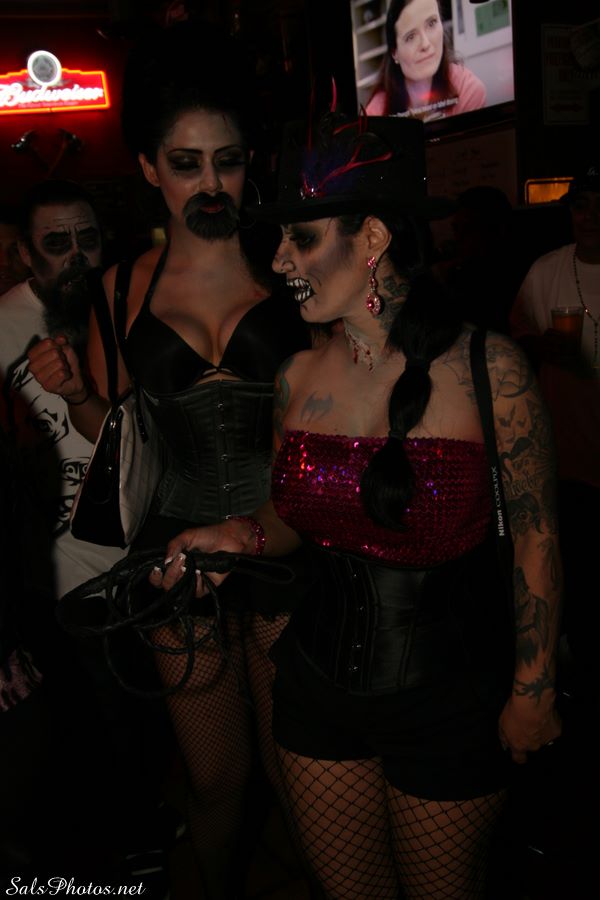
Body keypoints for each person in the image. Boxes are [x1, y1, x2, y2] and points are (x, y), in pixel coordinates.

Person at [155, 112, 562, 899]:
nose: (279, 260)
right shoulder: (296, 376)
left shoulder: (489, 368)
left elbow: (538, 539)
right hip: (315, 692)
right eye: (281, 239)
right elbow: (288, 519)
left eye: (301, 239)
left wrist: (534, 688)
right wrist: (236, 535)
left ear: (372, 236)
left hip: (450, 701)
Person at [28, 22, 310, 899]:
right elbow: (112, 429)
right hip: (174, 559)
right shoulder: (121, 288)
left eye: (228, 162)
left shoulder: (289, 267)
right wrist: (76, 389)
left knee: (297, 770)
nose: (211, 184)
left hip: (284, 542)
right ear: (151, 169)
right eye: (187, 164)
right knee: (218, 777)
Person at [510, 165, 600, 690]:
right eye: (581, 205)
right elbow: (515, 336)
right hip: (567, 457)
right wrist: (540, 345)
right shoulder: (547, 270)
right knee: (577, 570)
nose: (591, 217)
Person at [366, 0, 486, 121]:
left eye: (431, 23)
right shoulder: (375, 114)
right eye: (411, 37)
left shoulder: (468, 90)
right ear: (394, 53)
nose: (425, 44)